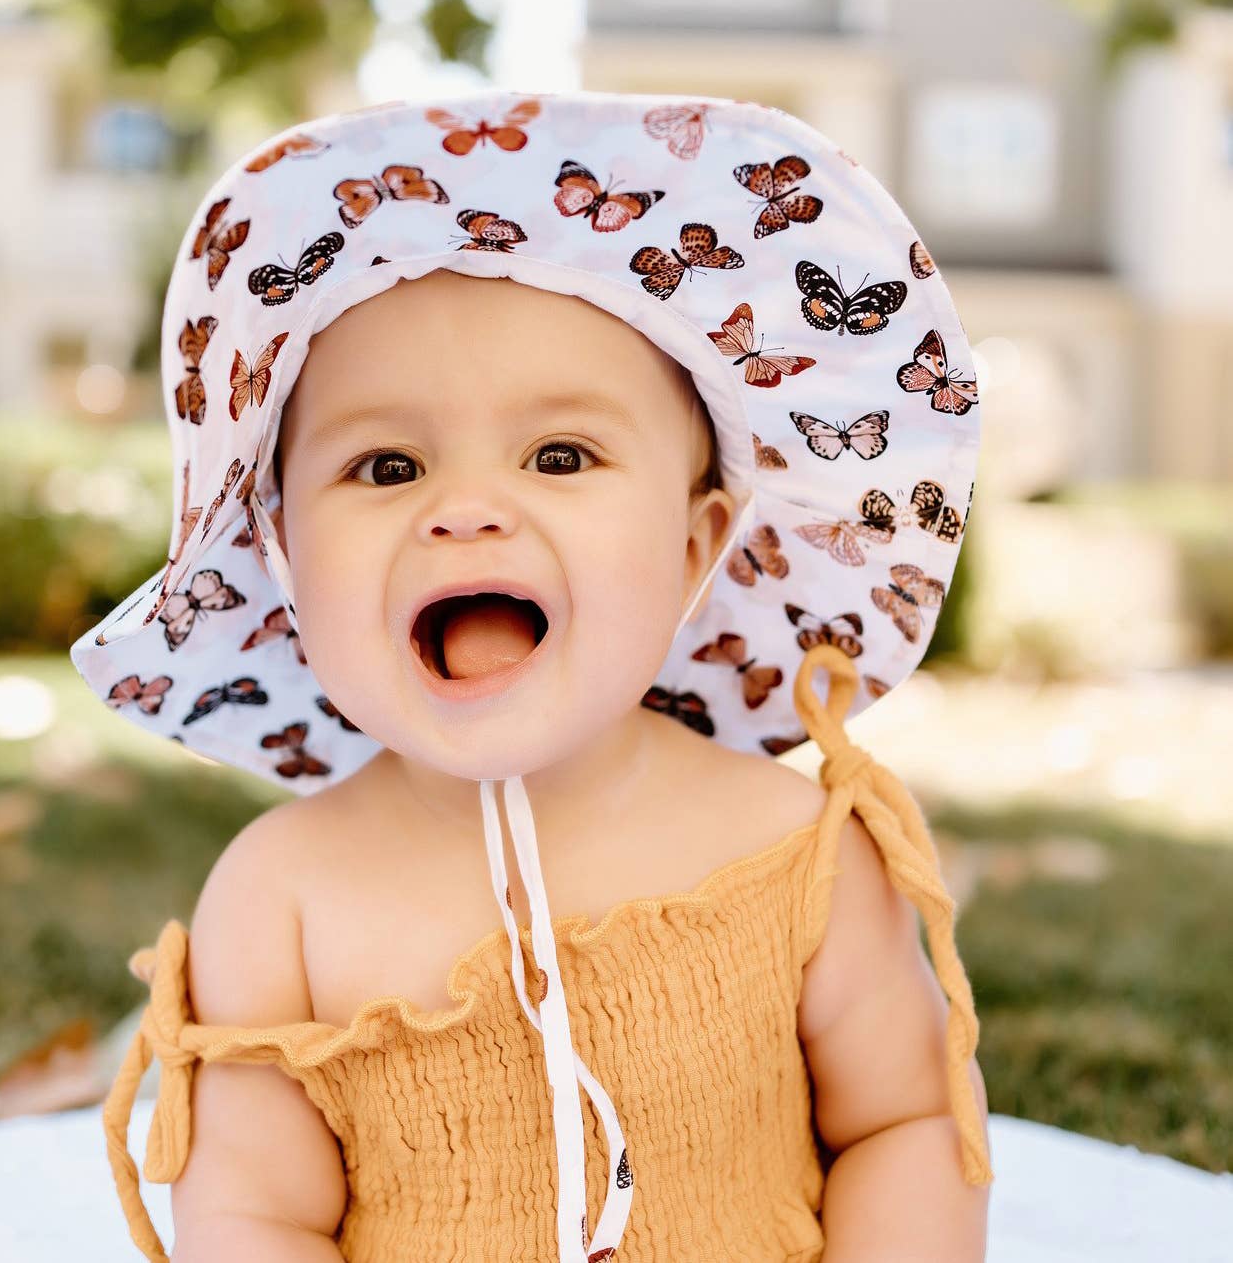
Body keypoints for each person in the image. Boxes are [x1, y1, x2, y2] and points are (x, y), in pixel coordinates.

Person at [73, 89, 992, 1262]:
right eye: (387, 465)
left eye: (560, 455)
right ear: (287, 559)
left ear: (696, 548)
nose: (466, 509)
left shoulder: (798, 851)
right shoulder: (278, 901)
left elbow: (905, 1125)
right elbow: (254, 1218)